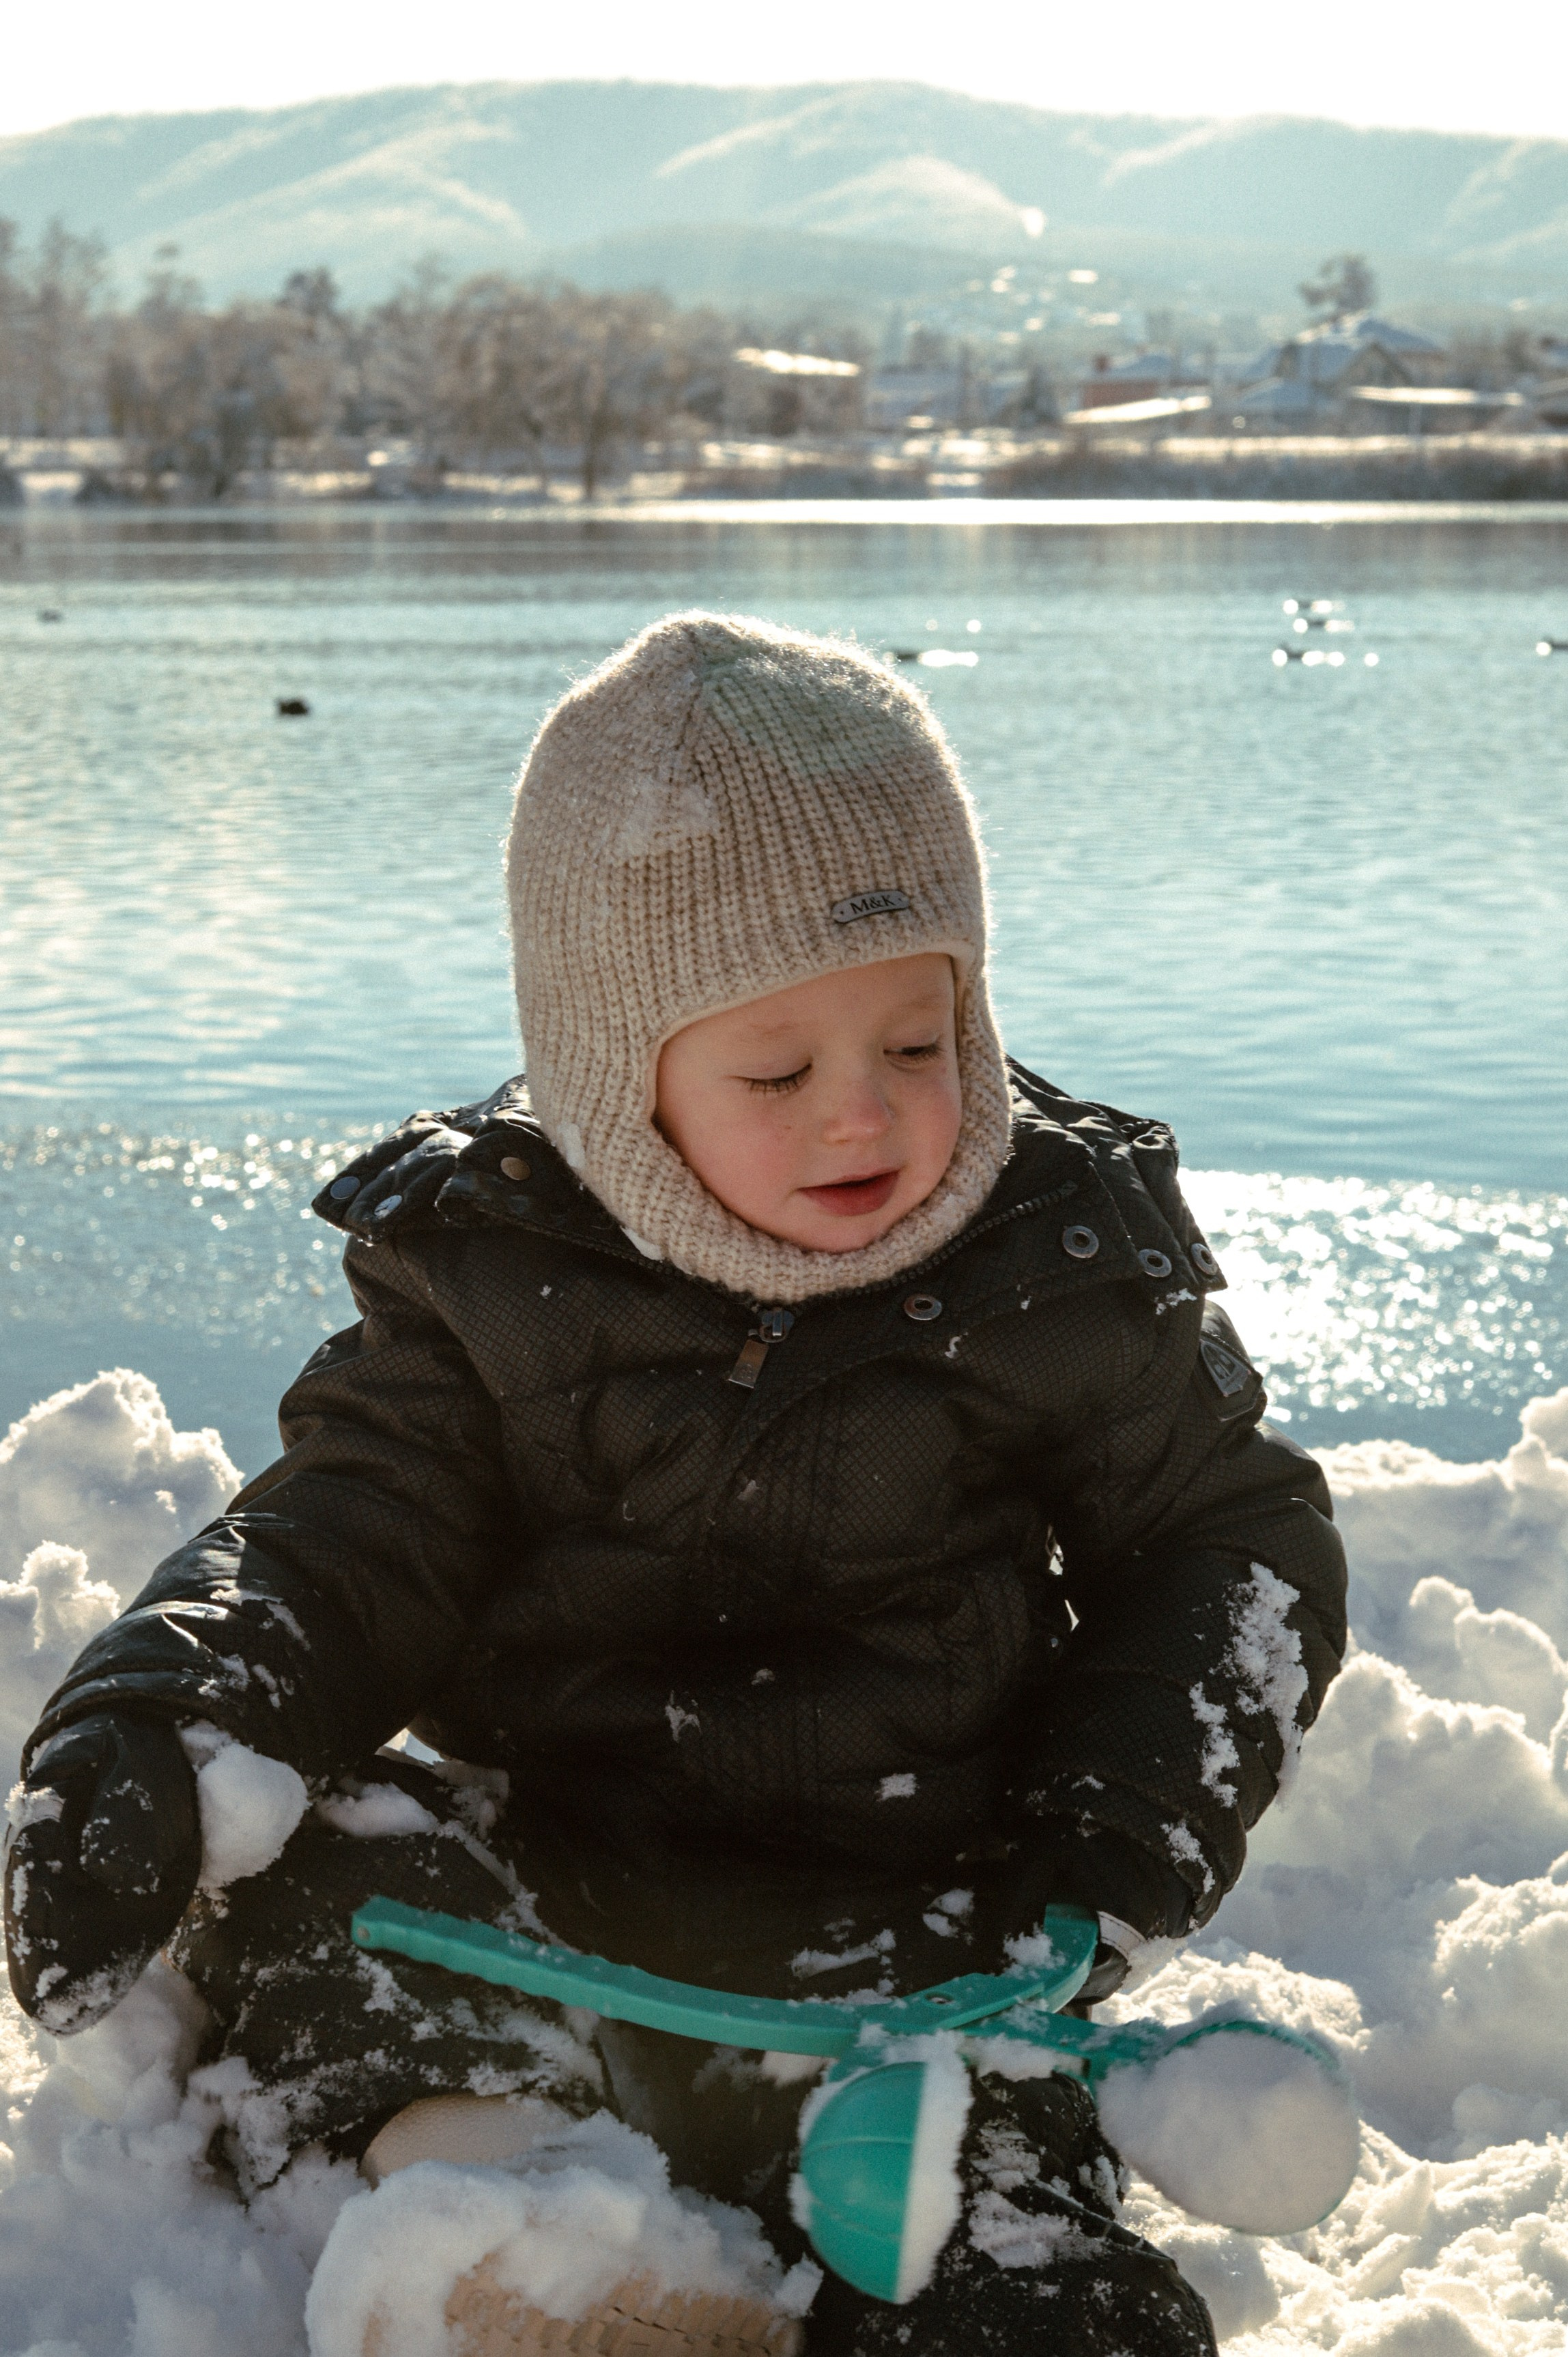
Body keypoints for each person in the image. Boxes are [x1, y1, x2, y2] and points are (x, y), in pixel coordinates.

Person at [5, 613, 1346, 2355]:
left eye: (922, 1043)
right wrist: (166, 1715)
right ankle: (524, 2217)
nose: (863, 1113)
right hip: (552, 1901)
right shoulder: (490, 1278)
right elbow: (340, 1537)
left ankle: (1010, 2289)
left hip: (931, 1938)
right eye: (779, 1070)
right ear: (611, 1079)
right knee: (323, 1883)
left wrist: (1109, 1839)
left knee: (989, 2181)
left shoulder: (1063, 1268)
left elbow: (1227, 1548)